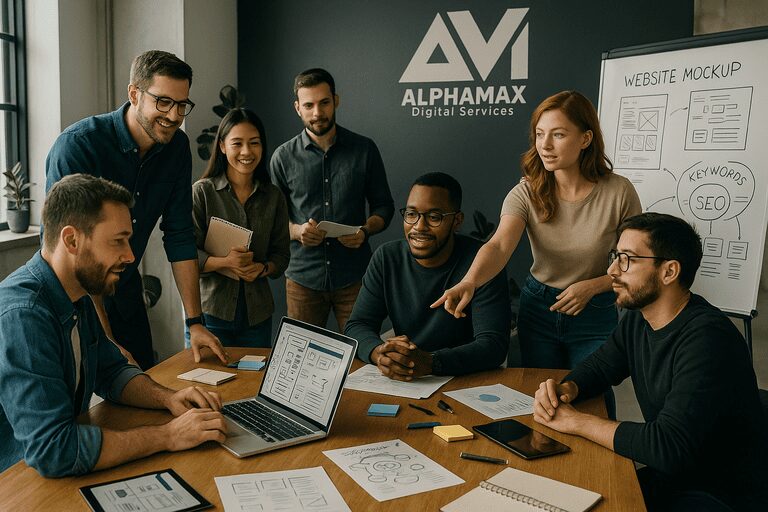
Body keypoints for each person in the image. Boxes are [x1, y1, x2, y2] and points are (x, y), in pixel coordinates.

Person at [533, 213, 768, 511]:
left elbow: (667, 445)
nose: (612, 270)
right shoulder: (639, 318)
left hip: (720, 494)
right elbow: (601, 366)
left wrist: (575, 421)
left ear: (669, 271)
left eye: (627, 259)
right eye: (615, 256)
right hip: (676, 477)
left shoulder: (708, 340)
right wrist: (567, 388)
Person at [0, 174, 227, 477]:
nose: (130, 255)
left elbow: (111, 371)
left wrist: (168, 398)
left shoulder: (76, 293)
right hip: (17, 484)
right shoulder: (23, 315)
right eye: (117, 241)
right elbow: (54, 449)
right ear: (72, 240)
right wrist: (169, 435)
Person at [434, 90, 641, 371]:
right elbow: (498, 246)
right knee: (536, 399)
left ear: (585, 139)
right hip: (539, 308)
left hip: (595, 308)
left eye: (558, 135)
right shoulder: (526, 192)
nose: (545, 145)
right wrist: (470, 281)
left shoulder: (619, 191)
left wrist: (593, 286)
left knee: (592, 396)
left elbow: (636, 259)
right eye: (540, 134)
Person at [45, 50, 226, 369]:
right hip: (71, 295)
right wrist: (105, 338)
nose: (174, 115)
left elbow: (180, 234)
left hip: (126, 289)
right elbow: (78, 251)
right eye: (164, 102)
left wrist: (195, 322)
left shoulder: (177, 150)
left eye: (182, 105)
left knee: (141, 378)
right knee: (82, 401)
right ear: (134, 94)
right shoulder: (78, 146)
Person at [345, 172, 510, 379]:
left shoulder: (482, 263)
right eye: (411, 214)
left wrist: (432, 362)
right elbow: (357, 325)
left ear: (456, 221)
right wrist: (380, 354)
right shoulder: (387, 258)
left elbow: (493, 345)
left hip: (466, 380)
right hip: (409, 381)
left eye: (434, 217)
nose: (419, 227)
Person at [270, 68, 394, 332]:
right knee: (302, 358)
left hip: (356, 277)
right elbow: (274, 220)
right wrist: (297, 231)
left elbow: (384, 206)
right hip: (303, 278)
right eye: (309, 105)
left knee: (363, 356)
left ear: (335, 100)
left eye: (324, 102)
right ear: (297, 108)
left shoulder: (364, 149)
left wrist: (365, 230)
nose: (317, 113)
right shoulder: (282, 157)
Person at [192, 109, 290, 347]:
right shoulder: (203, 192)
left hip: (258, 316)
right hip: (212, 314)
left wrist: (262, 268)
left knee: (253, 383)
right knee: (208, 382)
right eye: (237, 143)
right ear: (223, 146)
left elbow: (282, 255)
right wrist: (226, 262)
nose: (247, 152)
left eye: (254, 143)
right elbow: (187, 256)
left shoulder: (273, 196)